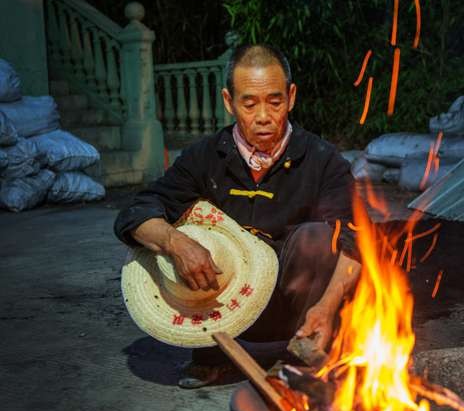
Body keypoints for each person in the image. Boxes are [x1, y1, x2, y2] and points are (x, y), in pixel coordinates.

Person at [114, 44, 361, 386]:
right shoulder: (204, 157)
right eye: (249, 103)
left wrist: (328, 306)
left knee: (318, 239)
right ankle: (215, 356)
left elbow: (356, 242)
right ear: (229, 102)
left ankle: (301, 356)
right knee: (176, 231)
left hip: (293, 310)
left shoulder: (322, 159)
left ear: (291, 97)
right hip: (219, 304)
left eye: (274, 102)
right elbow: (136, 212)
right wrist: (176, 242)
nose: (263, 116)